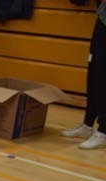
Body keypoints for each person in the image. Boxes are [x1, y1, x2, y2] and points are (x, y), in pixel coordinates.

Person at [60, 0, 106, 150]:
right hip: (103, 17)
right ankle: (87, 125)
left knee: (103, 76)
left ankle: (104, 131)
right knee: (94, 71)